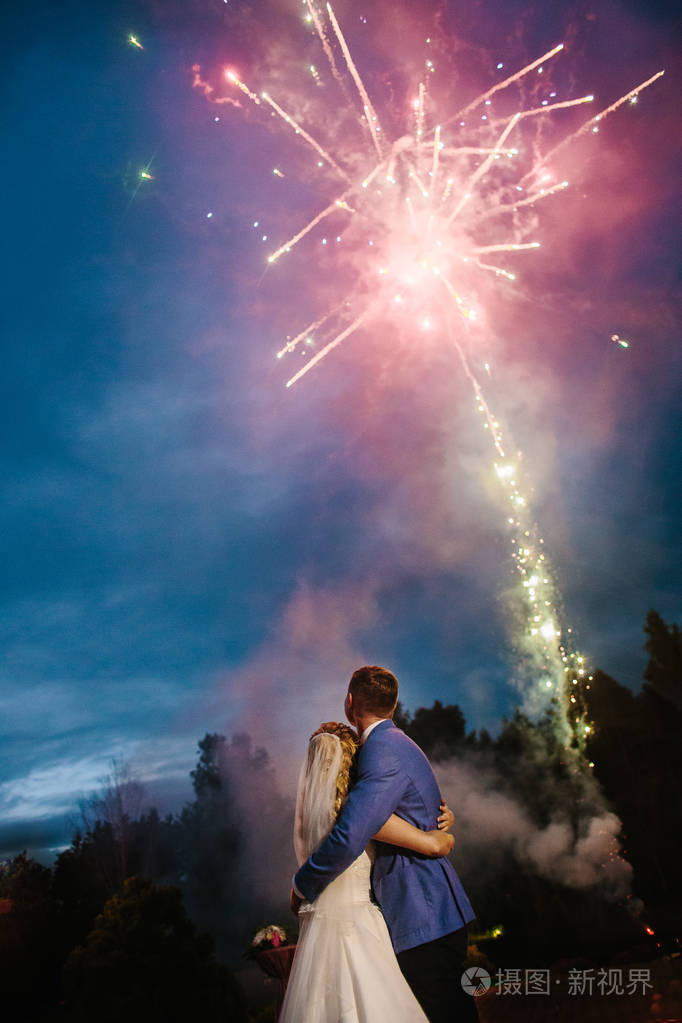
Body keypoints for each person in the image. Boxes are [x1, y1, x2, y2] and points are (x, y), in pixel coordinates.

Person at [291, 666, 479, 1023]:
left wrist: (302, 885)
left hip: (421, 910)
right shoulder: (397, 744)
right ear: (393, 704)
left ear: (349, 702)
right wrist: (433, 835)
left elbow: (352, 832)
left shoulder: (381, 750)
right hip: (428, 910)